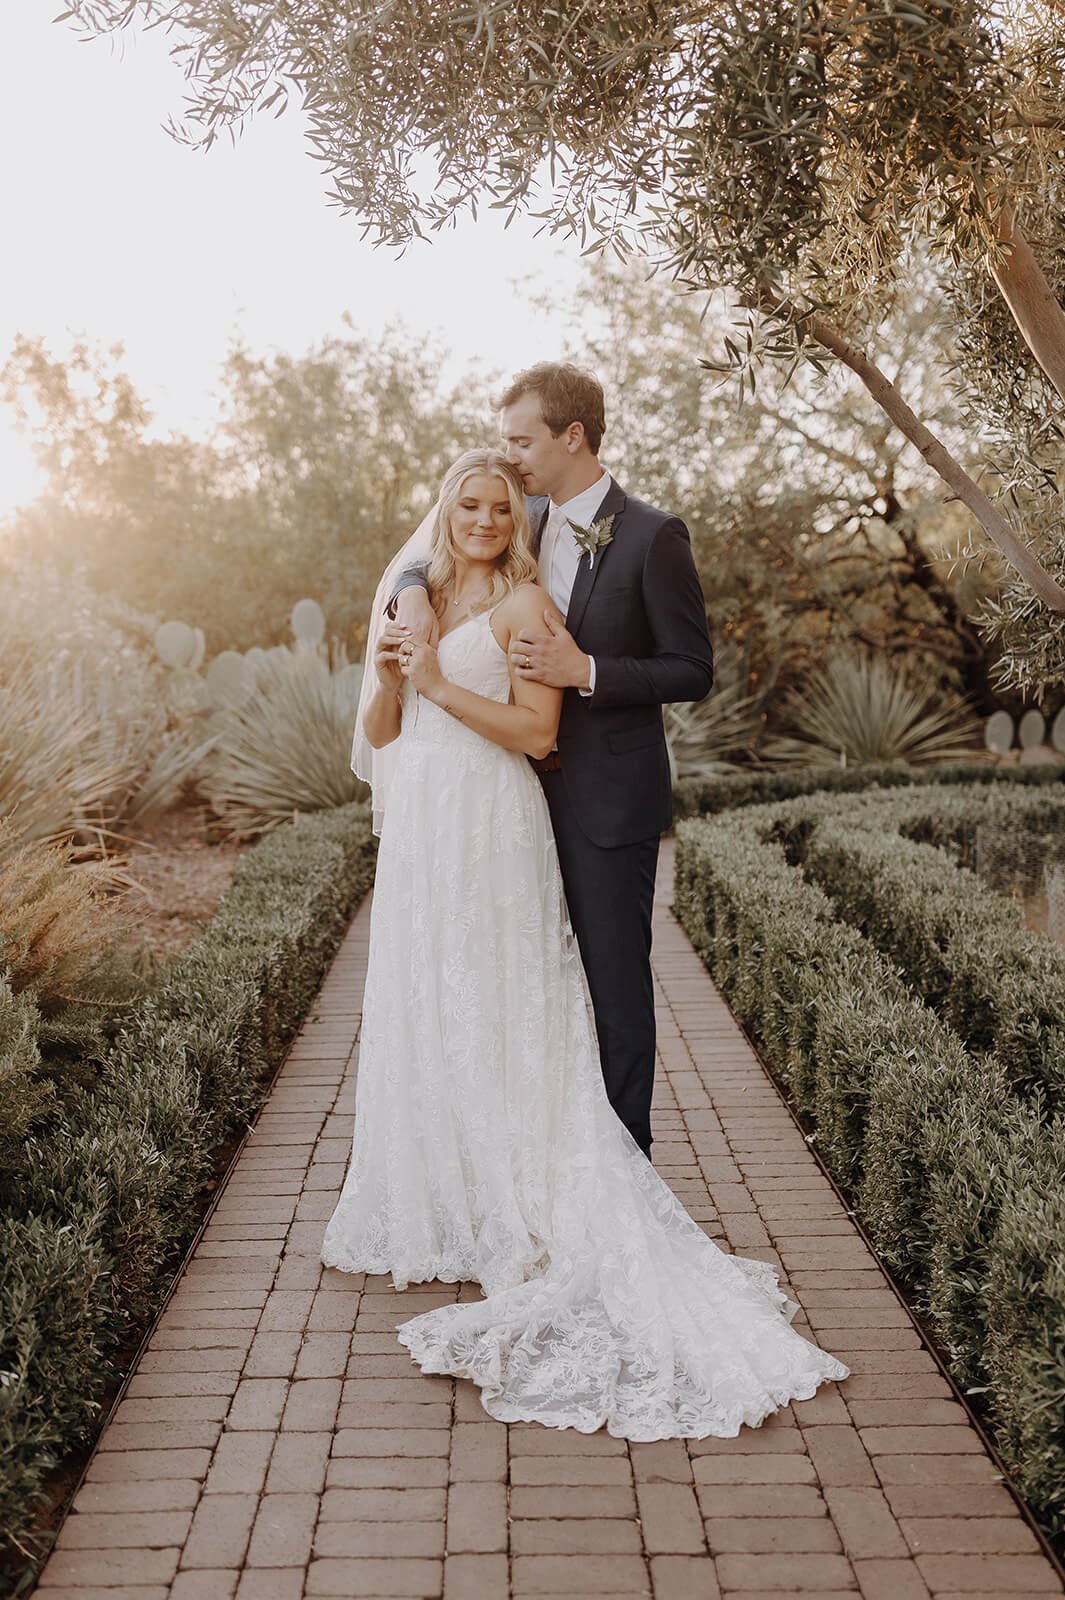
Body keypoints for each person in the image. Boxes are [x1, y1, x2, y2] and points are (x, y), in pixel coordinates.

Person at [320, 446, 848, 1440]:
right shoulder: (413, 593)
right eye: (466, 503)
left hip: (490, 816)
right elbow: (382, 733)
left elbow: (534, 735)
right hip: (425, 826)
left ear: (514, 516)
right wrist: (397, 671)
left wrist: (430, 678)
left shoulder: (524, 607)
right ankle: (439, 1189)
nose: (482, 517)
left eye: (495, 505)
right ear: (443, 508)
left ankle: (521, 1192)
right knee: (428, 994)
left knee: (506, 995)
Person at [389, 363, 714, 1159]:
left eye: (520, 439)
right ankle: (532, 1158)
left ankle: (626, 1167)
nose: (509, 455)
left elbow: (690, 669)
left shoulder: (649, 534)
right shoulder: (515, 513)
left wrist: (588, 673)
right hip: (508, 795)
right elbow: (431, 549)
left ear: (572, 436)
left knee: (613, 987)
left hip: (606, 800)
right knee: (519, 982)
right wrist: (414, 595)